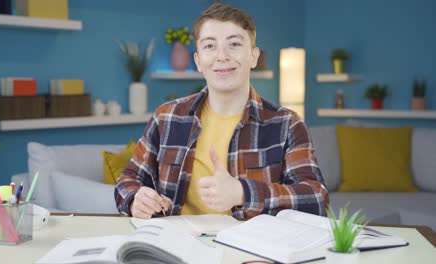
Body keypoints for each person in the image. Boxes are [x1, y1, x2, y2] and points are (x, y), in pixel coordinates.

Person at [115, 3, 329, 219]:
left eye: (234, 44)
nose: (222, 56)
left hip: (248, 249)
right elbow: (129, 178)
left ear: (253, 57)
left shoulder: (287, 124)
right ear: (198, 61)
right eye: (209, 46)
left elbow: (317, 199)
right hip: (177, 245)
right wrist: (135, 199)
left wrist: (243, 193)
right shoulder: (167, 117)